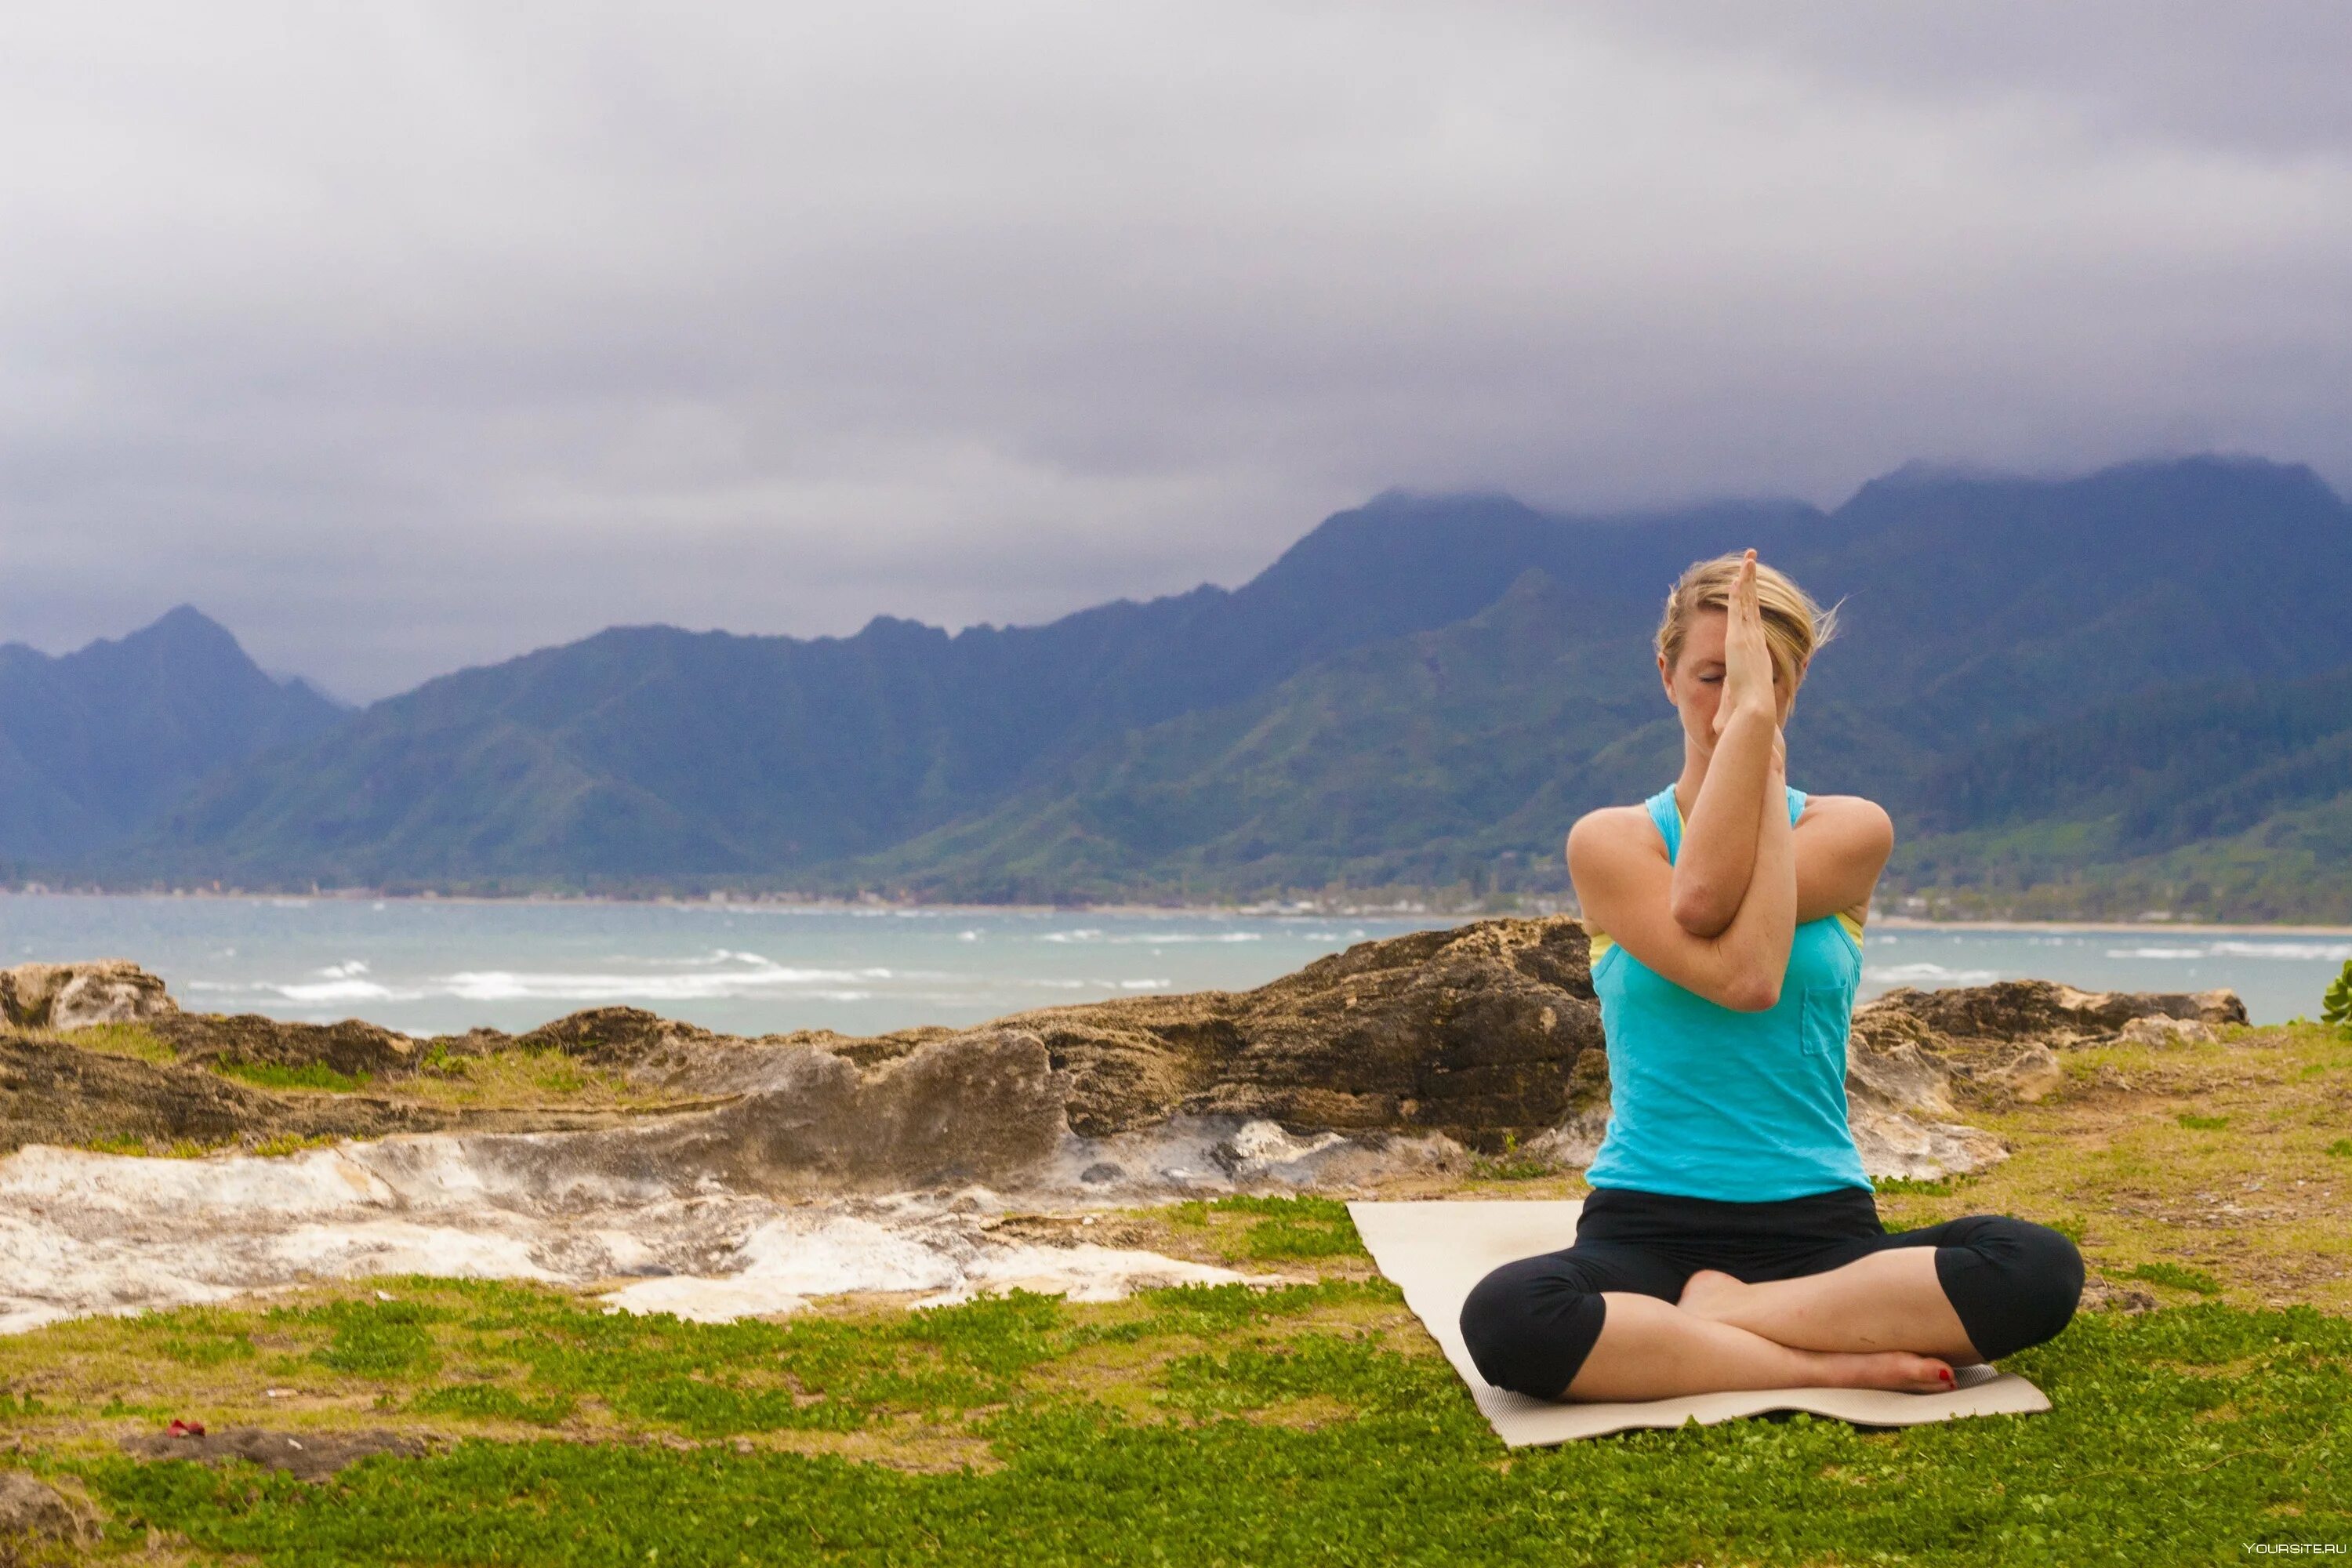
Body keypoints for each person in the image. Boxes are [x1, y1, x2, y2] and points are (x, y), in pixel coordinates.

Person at [1458, 550, 2083, 1403]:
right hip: (1645, 1220)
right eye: (1713, 676)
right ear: (1666, 675)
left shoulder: (1851, 829)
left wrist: (1750, 737)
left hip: (1820, 1226)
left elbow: (1727, 925)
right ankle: (1807, 1358)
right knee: (1510, 1317)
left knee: (2037, 1267)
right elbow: (1730, 950)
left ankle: (1723, 1317)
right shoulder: (1609, 843)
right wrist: (1751, 726)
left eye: (1762, 681)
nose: (1728, 704)